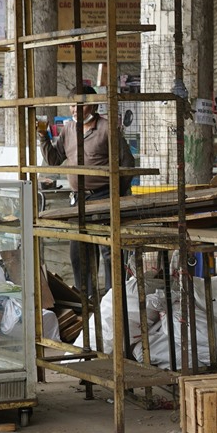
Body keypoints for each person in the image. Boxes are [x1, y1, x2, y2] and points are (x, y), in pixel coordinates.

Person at [40, 85, 135, 295]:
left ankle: (114, 299)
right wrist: (43, 137)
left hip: (104, 197)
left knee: (109, 250)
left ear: (92, 105)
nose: (74, 109)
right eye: (72, 105)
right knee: (80, 251)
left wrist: (115, 194)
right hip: (78, 200)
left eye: (79, 105)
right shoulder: (69, 130)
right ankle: (87, 300)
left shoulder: (106, 129)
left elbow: (127, 163)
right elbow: (55, 160)